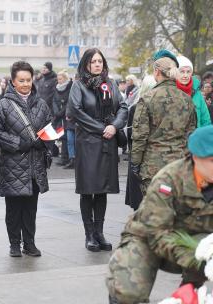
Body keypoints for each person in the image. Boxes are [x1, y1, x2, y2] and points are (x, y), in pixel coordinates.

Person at [107, 125, 213, 304]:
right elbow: (155, 232)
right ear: (196, 157)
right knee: (128, 289)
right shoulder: (169, 179)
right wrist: (197, 260)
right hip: (147, 238)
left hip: (198, 242)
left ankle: (191, 293)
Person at [68, 48, 128, 252]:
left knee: (102, 190)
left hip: (107, 143)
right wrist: (102, 128)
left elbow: (123, 107)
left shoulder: (110, 84)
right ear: (86, 64)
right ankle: (89, 234)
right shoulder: (78, 86)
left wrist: (114, 126)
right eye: (93, 61)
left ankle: (100, 232)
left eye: (100, 61)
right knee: (88, 190)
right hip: (88, 143)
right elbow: (76, 111)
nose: (97, 64)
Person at [0, 61, 51, 258]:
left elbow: (49, 127)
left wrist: (45, 142)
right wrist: (19, 143)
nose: (26, 84)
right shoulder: (3, 105)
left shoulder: (41, 103)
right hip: (12, 165)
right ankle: (14, 244)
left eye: (28, 80)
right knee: (14, 208)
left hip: (35, 164)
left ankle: (30, 243)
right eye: (21, 80)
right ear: (13, 81)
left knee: (31, 208)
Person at [131, 49, 196, 195]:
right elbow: (191, 134)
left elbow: (140, 136)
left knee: (156, 212)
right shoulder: (187, 100)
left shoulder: (147, 99)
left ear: (157, 72)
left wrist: (135, 163)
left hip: (153, 166)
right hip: (179, 164)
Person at [125, 75, 156, 210]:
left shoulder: (135, 107)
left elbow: (130, 136)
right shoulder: (137, 107)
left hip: (138, 154)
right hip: (152, 154)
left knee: (138, 199)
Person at [176, 55, 211, 128]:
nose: (185, 75)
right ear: (175, 72)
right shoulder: (169, 91)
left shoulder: (197, 93)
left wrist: (201, 137)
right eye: (182, 71)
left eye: (188, 72)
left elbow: (205, 120)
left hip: (195, 137)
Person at [52, 70, 73, 167]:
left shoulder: (70, 87)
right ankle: (63, 157)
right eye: (58, 79)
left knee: (67, 138)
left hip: (66, 116)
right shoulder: (57, 88)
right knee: (61, 136)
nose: (58, 81)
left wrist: (61, 112)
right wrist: (56, 111)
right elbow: (54, 100)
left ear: (65, 79)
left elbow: (69, 102)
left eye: (60, 79)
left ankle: (68, 158)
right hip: (59, 116)